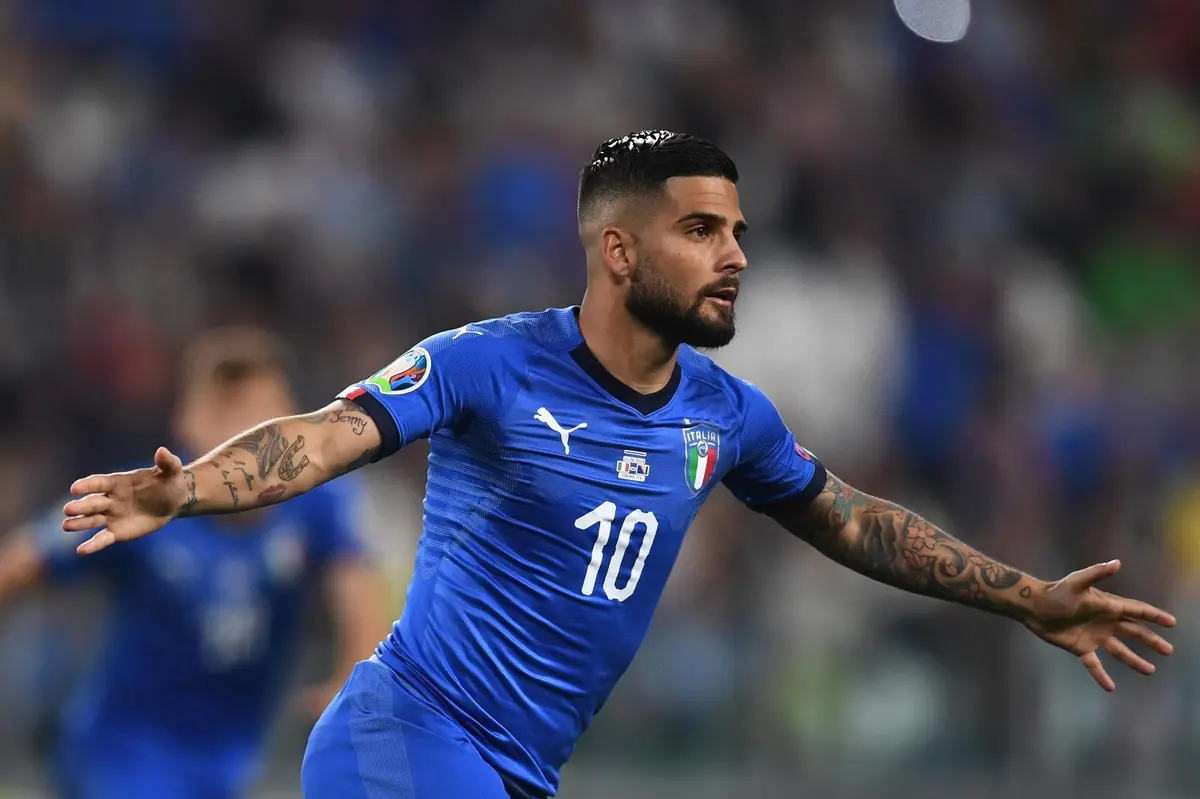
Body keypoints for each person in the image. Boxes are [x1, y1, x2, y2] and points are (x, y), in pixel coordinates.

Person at [61, 131, 1175, 799]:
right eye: (702, 231)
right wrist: (190, 488)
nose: (734, 256)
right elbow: (321, 436)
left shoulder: (728, 415)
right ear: (619, 249)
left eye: (738, 232)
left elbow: (850, 519)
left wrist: (1027, 596)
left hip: (515, 771)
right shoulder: (487, 363)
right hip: (404, 737)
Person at [0, 327, 390, 799]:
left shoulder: (318, 508)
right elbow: (28, 558)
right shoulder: (143, 501)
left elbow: (356, 579)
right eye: (231, 413)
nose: (249, 438)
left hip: (233, 761)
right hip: (122, 756)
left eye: (263, 417)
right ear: (188, 422)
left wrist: (354, 679)